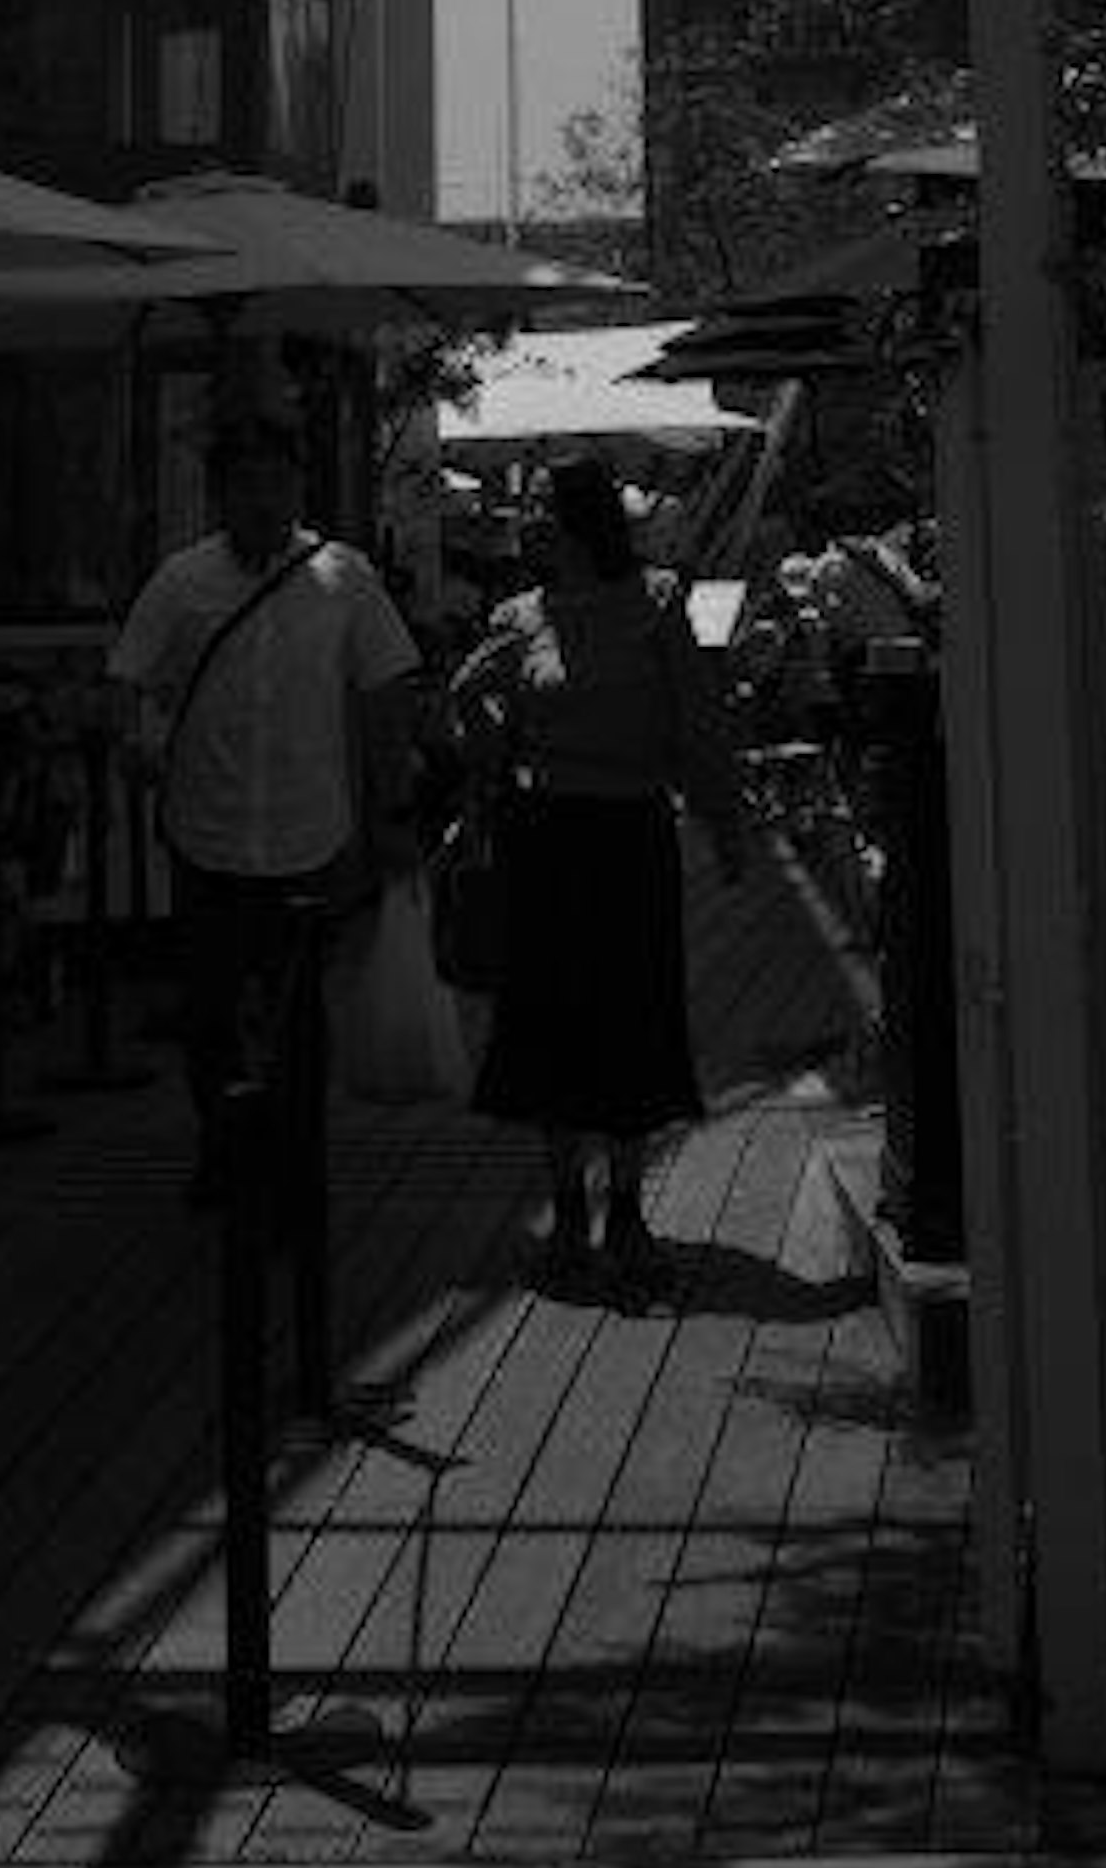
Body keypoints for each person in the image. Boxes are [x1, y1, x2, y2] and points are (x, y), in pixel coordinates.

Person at [446, 453, 750, 1303]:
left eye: (542, 506)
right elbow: (484, 737)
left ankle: (624, 1207)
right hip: (544, 839)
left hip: (628, 834)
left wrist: (726, 823)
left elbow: (697, 718)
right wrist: (474, 703)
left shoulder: (654, 602)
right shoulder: (517, 615)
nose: (529, 519)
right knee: (547, 1019)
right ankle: (568, 1210)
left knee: (630, 1013)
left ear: (577, 521)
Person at [109, 404, 422, 1216]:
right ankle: (222, 1142)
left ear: (298, 489)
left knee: (297, 1017)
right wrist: (138, 739)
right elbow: (129, 679)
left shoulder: (343, 576)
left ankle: (290, 1162)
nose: (263, 501)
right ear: (219, 494)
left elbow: (387, 684)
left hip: (306, 833)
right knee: (209, 1011)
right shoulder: (183, 580)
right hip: (206, 832)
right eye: (247, 485)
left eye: (278, 484)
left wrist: (393, 805)